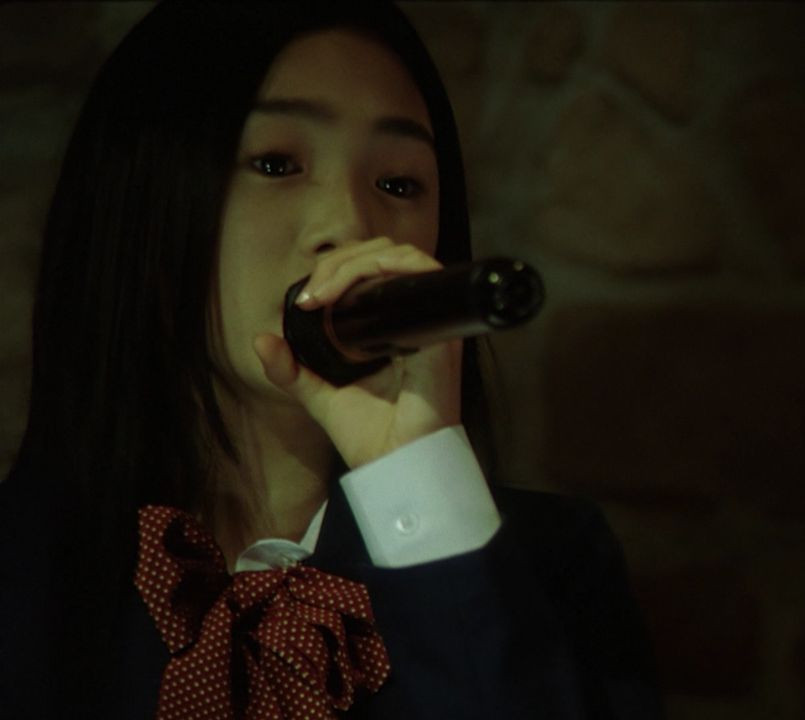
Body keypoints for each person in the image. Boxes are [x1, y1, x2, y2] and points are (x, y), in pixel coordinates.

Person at [0, 2, 659, 717]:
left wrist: (415, 471)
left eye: (399, 183)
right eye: (276, 164)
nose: (349, 226)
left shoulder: (550, 567)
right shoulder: (24, 573)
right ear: (141, 201)